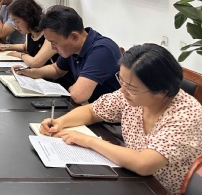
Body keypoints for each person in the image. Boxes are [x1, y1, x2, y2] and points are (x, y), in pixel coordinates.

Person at [39, 44, 202, 195]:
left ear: (161, 92)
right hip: (128, 175)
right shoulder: (132, 94)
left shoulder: (186, 115)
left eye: (130, 87)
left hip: (158, 189)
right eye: (121, 81)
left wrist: (88, 141)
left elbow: (144, 164)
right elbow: (92, 111)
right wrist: (61, 122)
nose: (122, 91)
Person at [14, 5, 120, 104]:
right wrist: (30, 72)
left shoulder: (102, 51)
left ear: (74, 37)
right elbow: (56, 70)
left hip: (109, 116)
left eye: (54, 43)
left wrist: (70, 88)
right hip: (91, 108)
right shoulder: (73, 48)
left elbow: (79, 96)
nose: (52, 48)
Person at [0, 0, 57, 68]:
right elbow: (25, 46)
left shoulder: (49, 35)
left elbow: (35, 63)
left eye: (17, 22)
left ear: (28, 19)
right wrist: (4, 47)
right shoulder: (30, 32)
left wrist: (20, 55)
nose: (16, 26)